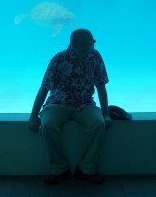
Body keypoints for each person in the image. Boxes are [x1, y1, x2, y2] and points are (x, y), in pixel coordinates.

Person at [28, 28, 112, 185]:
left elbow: (101, 86)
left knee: (98, 124)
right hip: (58, 102)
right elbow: (44, 88)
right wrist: (33, 116)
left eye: (92, 42)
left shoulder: (95, 56)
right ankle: (59, 168)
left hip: (85, 103)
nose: (92, 45)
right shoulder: (58, 59)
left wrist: (105, 113)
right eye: (89, 43)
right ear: (75, 45)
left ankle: (86, 168)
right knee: (47, 126)